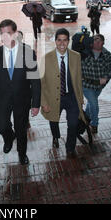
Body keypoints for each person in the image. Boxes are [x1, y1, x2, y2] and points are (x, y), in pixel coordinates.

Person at [0, 19, 41, 165]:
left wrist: (36, 103)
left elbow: (35, 80)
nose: (5, 37)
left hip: (22, 98)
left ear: (15, 34)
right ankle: (8, 138)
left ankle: (22, 154)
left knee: (21, 129)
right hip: (2, 98)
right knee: (1, 126)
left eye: (8, 33)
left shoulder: (28, 52)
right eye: (2, 34)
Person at [40, 29, 86, 157]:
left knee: (73, 123)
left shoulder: (76, 56)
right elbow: (41, 82)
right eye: (59, 40)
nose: (62, 43)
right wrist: (44, 102)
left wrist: (80, 98)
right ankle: (55, 136)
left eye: (65, 40)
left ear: (68, 41)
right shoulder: (46, 58)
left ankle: (70, 147)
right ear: (55, 41)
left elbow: (78, 79)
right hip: (53, 98)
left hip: (71, 97)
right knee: (53, 120)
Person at [81, 34, 111, 133]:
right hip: (87, 85)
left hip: (99, 86)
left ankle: (85, 118)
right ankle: (94, 124)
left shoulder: (107, 55)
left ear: (103, 43)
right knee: (94, 104)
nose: (97, 42)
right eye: (95, 40)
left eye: (99, 40)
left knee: (92, 103)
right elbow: (78, 66)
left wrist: (106, 77)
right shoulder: (85, 53)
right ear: (92, 42)